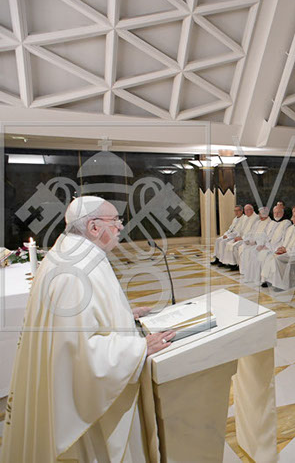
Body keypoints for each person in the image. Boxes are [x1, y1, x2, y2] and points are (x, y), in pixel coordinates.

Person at [0, 197, 174, 462]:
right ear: (93, 227)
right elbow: (79, 353)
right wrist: (139, 347)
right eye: (115, 221)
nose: (120, 227)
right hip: (85, 419)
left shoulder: (72, 252)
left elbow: (82, 320)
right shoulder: (75, 271)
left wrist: (123, 315)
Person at [240, 205, 291, 286]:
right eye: (275, 212)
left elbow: (284, 240)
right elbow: (266, 236)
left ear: (283, 213)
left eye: (278, 212)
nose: (276, 214)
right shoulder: (272, 223)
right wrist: (261, 244)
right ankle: (258, 278)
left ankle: (266, 280)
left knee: (263, 255)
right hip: (267, 245)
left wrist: (269, 247)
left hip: (276, 247)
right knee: (254, 252)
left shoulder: (286, 223)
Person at [261, 211, 295, 290]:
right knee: (269, 256)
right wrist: (281, 248)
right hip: (287, 252)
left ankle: (280, 285)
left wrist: (286, 250)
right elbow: (283, 241)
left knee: (278, 259)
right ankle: (269, 280)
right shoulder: (290, 228)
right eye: (294, 217)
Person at [221, 203, 258, 268]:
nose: (246, 212)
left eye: (248, 210)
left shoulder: (256, 218)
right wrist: (237, 236)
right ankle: (231, 263)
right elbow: (241, 229)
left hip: (248, 239)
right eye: (245, 210)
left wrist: (242, 238)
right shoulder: (245, 218)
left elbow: (253, 232)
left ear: (252, 210)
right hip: (241, 237)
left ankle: (237, 264)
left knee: (235, 246)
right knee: (229, 244)